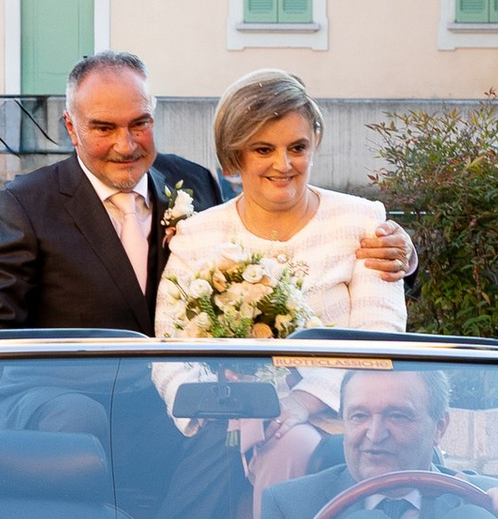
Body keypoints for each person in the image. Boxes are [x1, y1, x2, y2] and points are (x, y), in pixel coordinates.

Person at [0, 50, 413, 497]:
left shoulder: (191, 182)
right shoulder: (26, 203)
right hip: (63, 399)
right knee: (81, 419)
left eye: (140, 123)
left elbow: (252, 257)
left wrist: (404, 257)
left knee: (228, 435)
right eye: (103, 128)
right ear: (71, 128)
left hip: (169, 397)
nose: (125, 144)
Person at [157, 71, 406, 497]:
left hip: (337, 423)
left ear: (315, 144)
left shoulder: (362, 221)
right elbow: (168, 348)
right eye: (263, 149)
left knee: (291, 444)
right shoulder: (198, 234)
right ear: (234, 159)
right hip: (220, 429)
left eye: (297, 148)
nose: (283, 164)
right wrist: (213, 412)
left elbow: (378, 336)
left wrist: (301, 404)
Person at [255, 366, 498, 519]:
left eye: (398, 415)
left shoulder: (485, 503)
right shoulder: (291, 507)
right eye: (360, 416)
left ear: (440, 427)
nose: (375, 434)